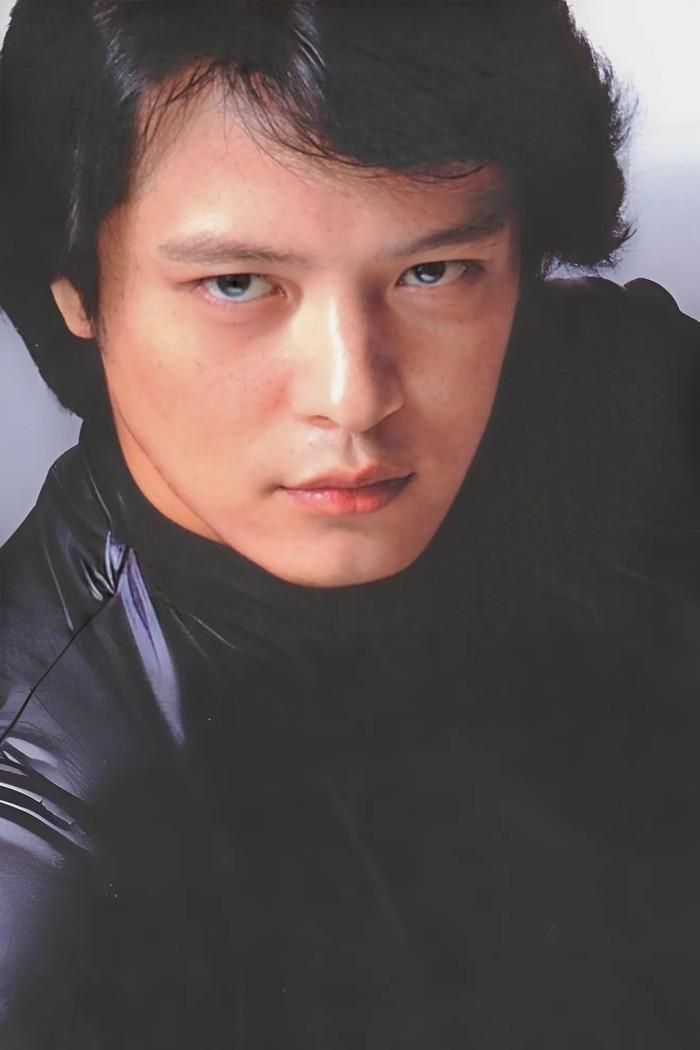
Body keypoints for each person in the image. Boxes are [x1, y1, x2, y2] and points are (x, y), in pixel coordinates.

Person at [1, 0, 699, 1045]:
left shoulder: (628, 398)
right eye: (238, 284)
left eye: (431, 273)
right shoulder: (44, 861)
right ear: (76, 291)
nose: (356, 397)